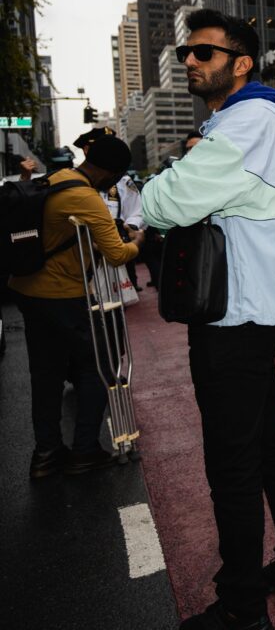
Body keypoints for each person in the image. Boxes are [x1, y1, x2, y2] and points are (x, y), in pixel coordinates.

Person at [141, 9, 275, 630]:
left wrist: (167, 177)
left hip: (236, 311)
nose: (190, 62)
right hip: (251, 307)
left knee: (233, 461)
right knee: (268, 441)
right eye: (186, 54)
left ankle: (243, 607)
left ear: (241, 63)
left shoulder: (247, 120)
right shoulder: (255, 118)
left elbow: (164, 203)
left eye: (203, 53)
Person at [8, 135, 144, 478]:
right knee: (100, 365)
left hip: (28, 289)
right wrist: (138, 242)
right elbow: (116, 254)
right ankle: (85, 449)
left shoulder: (53, 180)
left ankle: (47, 454)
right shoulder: (84, 196)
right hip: (64, 295)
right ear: (109, 172)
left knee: (46, 374)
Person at [76, 128, 144, 290]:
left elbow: (137, 210)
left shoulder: (123, 180)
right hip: (87, 253)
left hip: (119, 243)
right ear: (87, 150)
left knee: (124, 297)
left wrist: (131, 229)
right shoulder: (74, 181)